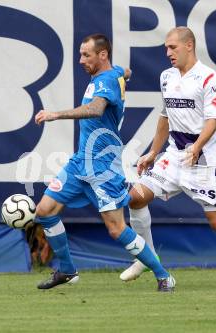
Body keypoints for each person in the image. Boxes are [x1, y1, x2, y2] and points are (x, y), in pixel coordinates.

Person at [119, 26, 216, 290]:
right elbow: (165, 116)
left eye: (172, 47)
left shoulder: (209, 78)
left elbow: (212, 121)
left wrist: (196, 147)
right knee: (135, 198)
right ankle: (145, 256)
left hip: (205, 160)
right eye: (166, 48)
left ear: (189, 46)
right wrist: (153, 151)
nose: (168, 52)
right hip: (175, 155)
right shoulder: (166, 77)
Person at [34, 33, 175, 292]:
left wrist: (56, 114)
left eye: (86, 55)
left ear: (103, 55)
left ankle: (163, 274)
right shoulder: (114, 74)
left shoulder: (107, 79)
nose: (80, 60)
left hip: (103, 169)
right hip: (80, 164)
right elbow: (127, 71)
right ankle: (66, 270)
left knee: (116, 229)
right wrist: (125, 75)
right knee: (44, 211)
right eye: (80, 54)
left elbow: (96, 109)